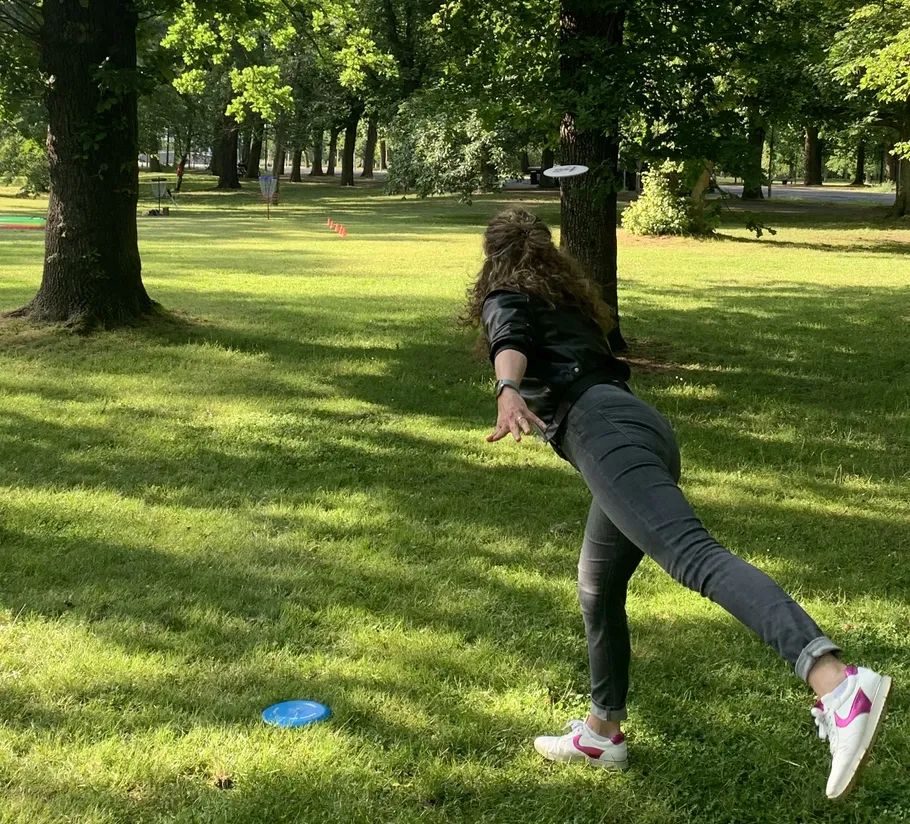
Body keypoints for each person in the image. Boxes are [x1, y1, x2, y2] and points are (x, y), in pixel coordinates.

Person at [462, 207, 891, 801]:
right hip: (641, 425)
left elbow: (508, 338)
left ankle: (836, 682)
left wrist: (508, 388)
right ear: (547, 250)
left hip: (602, 432)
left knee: (695, 557)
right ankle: (602, 733)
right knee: (597, 586)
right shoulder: (574, 301)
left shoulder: (506, 291)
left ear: (492, 255)